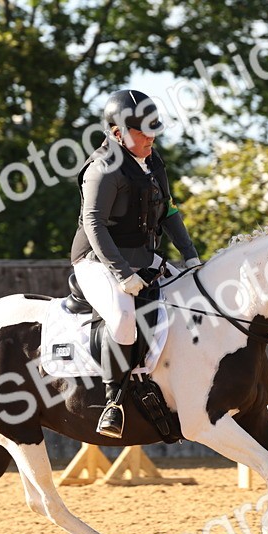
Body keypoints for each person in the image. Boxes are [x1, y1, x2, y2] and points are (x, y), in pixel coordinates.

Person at [70, 89, 203, 438]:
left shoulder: (152, 161)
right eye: (144, 132)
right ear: (118, 133)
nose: (151, 138)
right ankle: (113, 403)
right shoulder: (102, 169)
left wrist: (190, 254)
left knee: (195, 299)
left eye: (154, 130)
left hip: (143, 257)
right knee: (123, 317)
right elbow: (94, 225)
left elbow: (168, 210)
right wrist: (122, 274)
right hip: (97, 260)